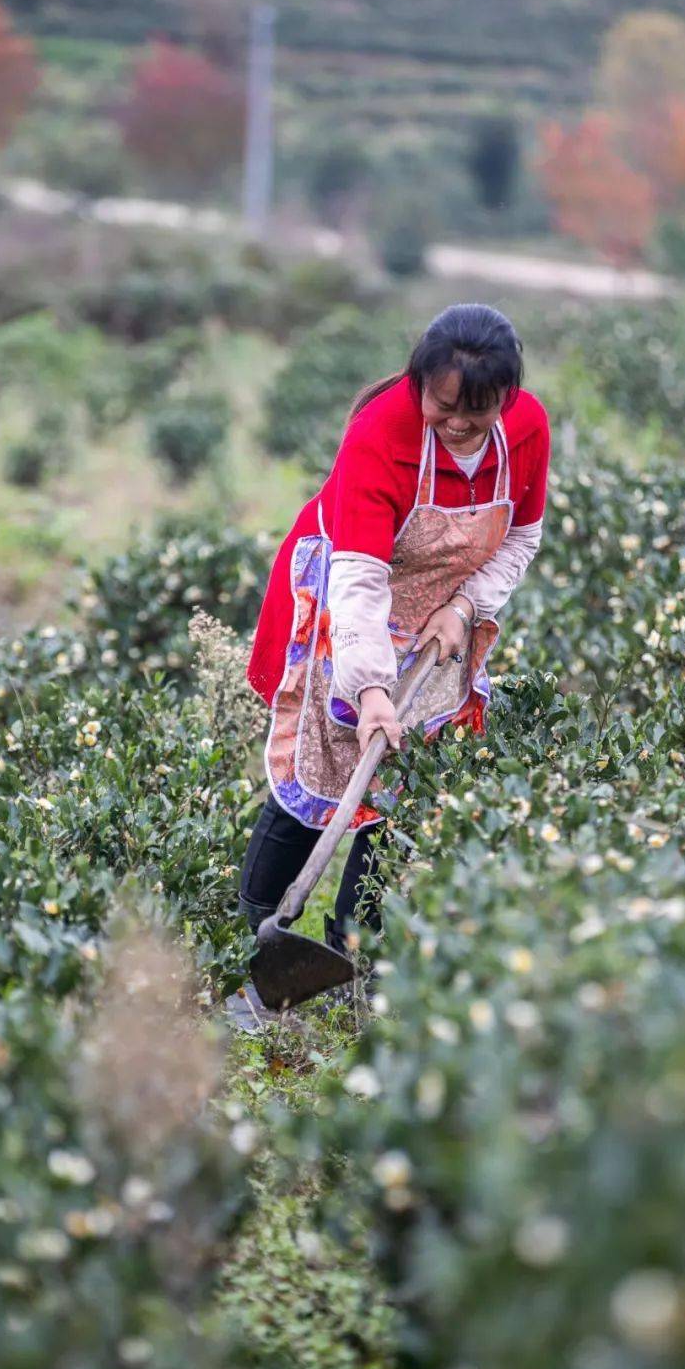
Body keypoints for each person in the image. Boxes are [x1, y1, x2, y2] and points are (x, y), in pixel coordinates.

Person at [230, 303, 549, 1026]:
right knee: (321, 768)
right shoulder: (382, 432)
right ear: (419, 385)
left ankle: (353, 950)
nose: (459, 425)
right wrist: (371, 687)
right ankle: (249, 936)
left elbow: (521, 536)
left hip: (439, 617)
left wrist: (465, 608)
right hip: (347, 594)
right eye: (443, 407)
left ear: (506, 397)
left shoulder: (527, 428)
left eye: (478, 410)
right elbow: (360, 578)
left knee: (407, 781)